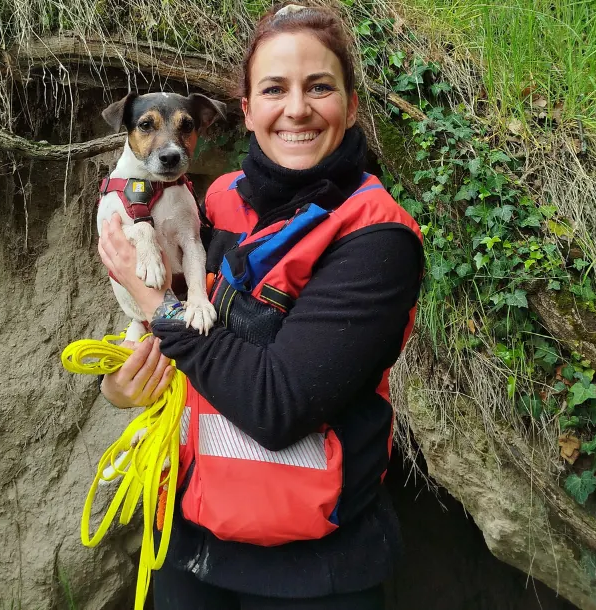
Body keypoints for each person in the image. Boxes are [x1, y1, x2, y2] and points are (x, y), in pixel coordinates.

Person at [97, 3, 424, 609]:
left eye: (319, 87)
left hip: (312, 567)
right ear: (247, 111)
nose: (296, 108)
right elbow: (180, 348)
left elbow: (277, 404)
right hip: (185, 537)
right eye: (274, 89)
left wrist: (157, 304)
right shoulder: (217, 199)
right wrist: (122, 385)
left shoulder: (376, 237)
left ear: (351, 105)